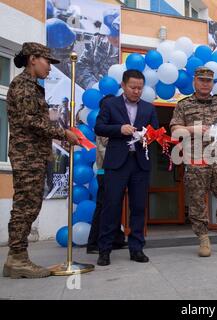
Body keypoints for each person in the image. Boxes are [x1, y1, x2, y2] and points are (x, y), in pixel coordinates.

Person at [3, 42, 80, 279]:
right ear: (33, 59)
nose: (50, 68)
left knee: (30, 205)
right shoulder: (23, 86)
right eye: (47, 62)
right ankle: (17, 258)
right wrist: (63, 133)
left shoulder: (33, 87)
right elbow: (31, 122)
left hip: (34, 154)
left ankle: (18, 257)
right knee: (25, 207)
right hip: (26, 156)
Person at [169, 60, 217, 258]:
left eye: (209, 81)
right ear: (195, 81)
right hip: (196, 162)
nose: (206, 84)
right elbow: (174, 132)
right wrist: (192, 129)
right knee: (197, 202)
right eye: (202, 80)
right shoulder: (184, 105)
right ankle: (203, 239)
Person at [94, 69, 159, 266]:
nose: (136, 91)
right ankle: (104, 250)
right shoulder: (110, 104)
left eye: (140, 88)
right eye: (133, 87)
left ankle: (136, 248)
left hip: (140, 163)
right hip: (116, 164)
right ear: (123, 85)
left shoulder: (149, 108)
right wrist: (119, 129)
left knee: (138, 207)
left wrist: (146, 136)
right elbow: (99, 127)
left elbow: (155, 133)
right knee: (111, 206)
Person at [86, 94, 127, 254]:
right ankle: (93, 243)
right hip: (106, 170)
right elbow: (111, 144)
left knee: (114, 205)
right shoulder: (104, 124)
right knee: (104, 206)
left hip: (115, 170)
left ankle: (116, 238)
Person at [76, 9, 120, 89]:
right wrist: (91, 84)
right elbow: (81, 65)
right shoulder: (97, 40)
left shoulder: (126, 52)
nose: (115, 39)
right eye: (111, 35)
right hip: (91, 90)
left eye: (118, 35)